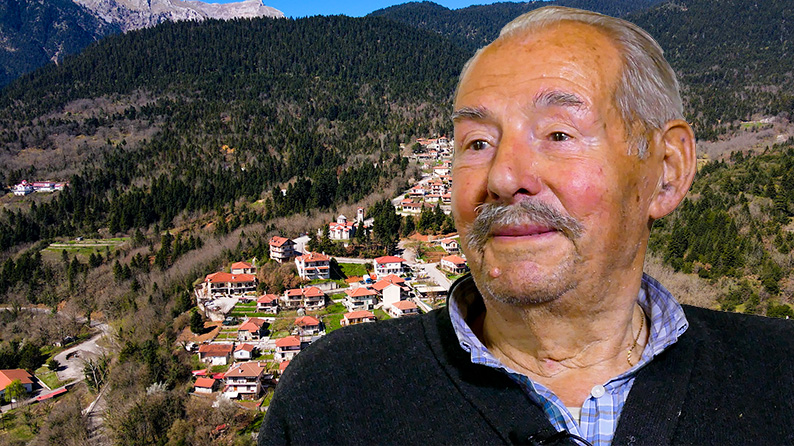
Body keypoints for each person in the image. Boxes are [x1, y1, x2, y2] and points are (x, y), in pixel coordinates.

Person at [260, 6, 794, 445]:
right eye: (477, 143)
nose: (503, 176)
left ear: (666, 171)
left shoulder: (777, 378)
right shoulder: (337, 396)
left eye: (559, 134)